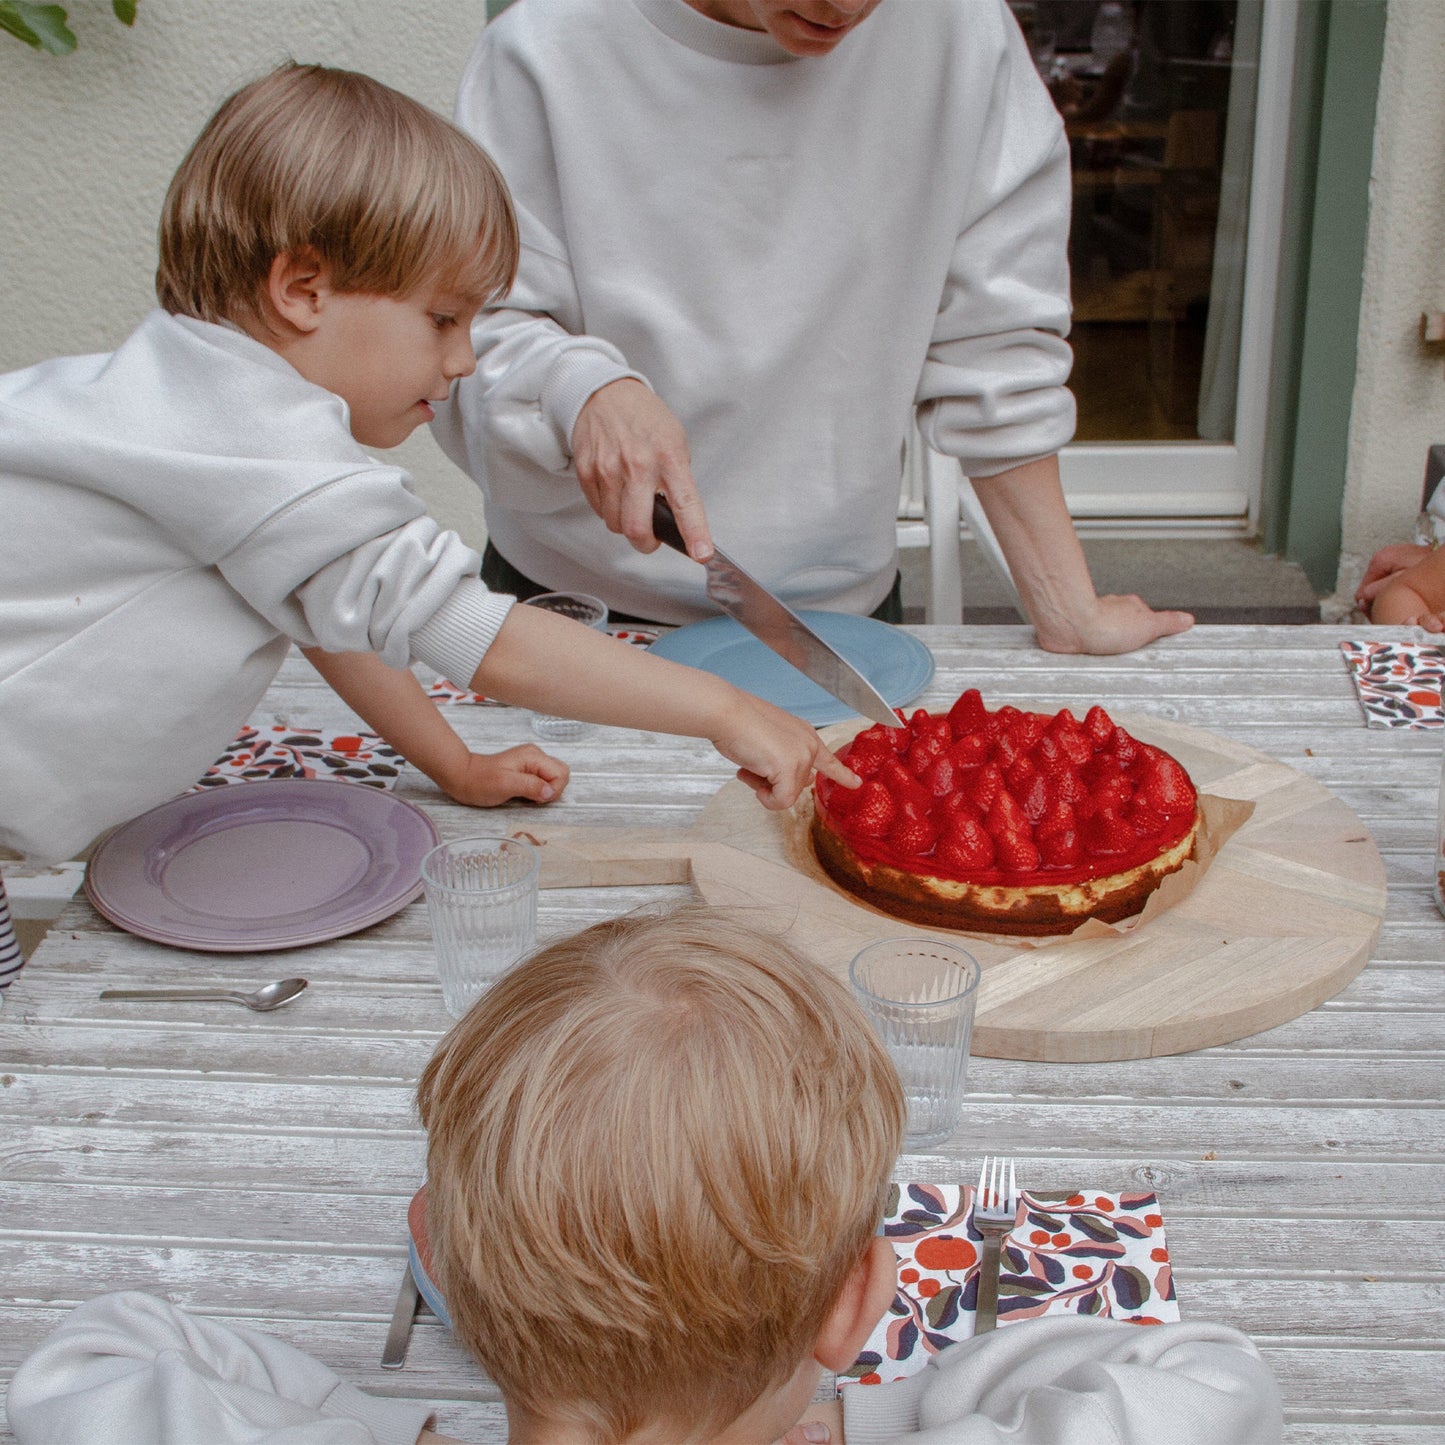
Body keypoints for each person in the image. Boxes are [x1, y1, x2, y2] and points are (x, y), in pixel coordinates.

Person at [0, 64, 855, 884]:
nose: (464, 359)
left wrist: (454, 761)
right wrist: (726, 709)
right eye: (443, 317)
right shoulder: (248, 436)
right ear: (302, 288)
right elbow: (478, 634)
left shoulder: (209, 411)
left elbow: (329, 616)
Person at [6, 905, 1282, 1445]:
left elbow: (78, 1365)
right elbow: (1208, 1377)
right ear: (858, 1305)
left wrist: (390, 1425)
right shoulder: (866, 1374)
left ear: (432, 1257)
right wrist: (864, 1412)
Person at [433, 0, 1194, 653]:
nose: (843, 4)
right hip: (578, 615)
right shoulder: (544, 46)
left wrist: (1066, 607)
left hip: (835, 625)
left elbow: (995, 343)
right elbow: (467, 330)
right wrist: (581, 387)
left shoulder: (962, 33)